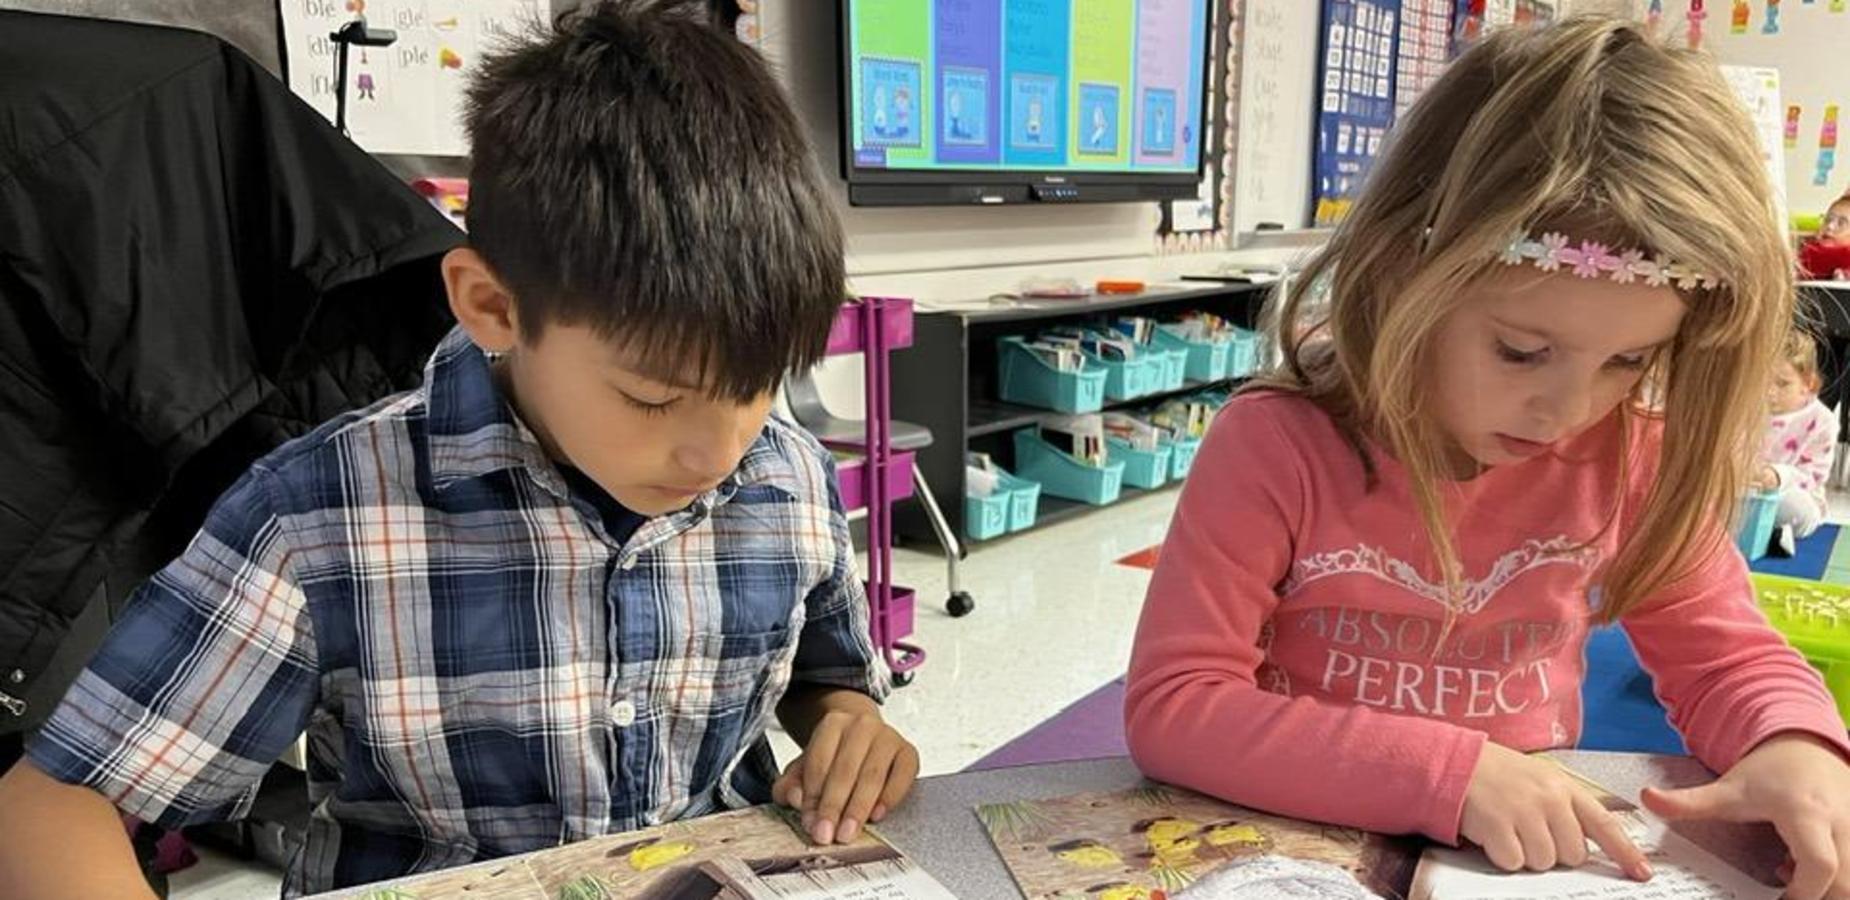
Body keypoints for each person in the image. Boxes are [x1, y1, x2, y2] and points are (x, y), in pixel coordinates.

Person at [0, 2, 917, 896]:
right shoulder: (322, 516)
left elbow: (824, 676)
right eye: (652, 396)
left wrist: (850, 721)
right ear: (491, 307)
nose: (714, 453)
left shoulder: (784, 473)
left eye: (756, 388)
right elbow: (51, 806)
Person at [1126, 17, 1850, 900]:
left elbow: (1728, 661)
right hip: (1288, 844)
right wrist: (1451, 773)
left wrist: (1797, 747)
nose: (1568, 410)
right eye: (1519, 350)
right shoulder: (1279, 442)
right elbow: (1177, 706)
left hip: (1509, 866)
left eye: (1627, 362)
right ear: (1404, 270)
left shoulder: (1632, 457)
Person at [1756, 330, 1839, 554]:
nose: (1770, 392)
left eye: (1782, 384)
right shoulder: (1748, 408)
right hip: (1746, 493)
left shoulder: (1822, 421)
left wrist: (1777, 476)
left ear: (1809, 384)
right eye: (1763, 381)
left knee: (1799, 512)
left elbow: (1813, 476)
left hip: (1790, 495)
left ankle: (1770, 533)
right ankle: (1759, 535)